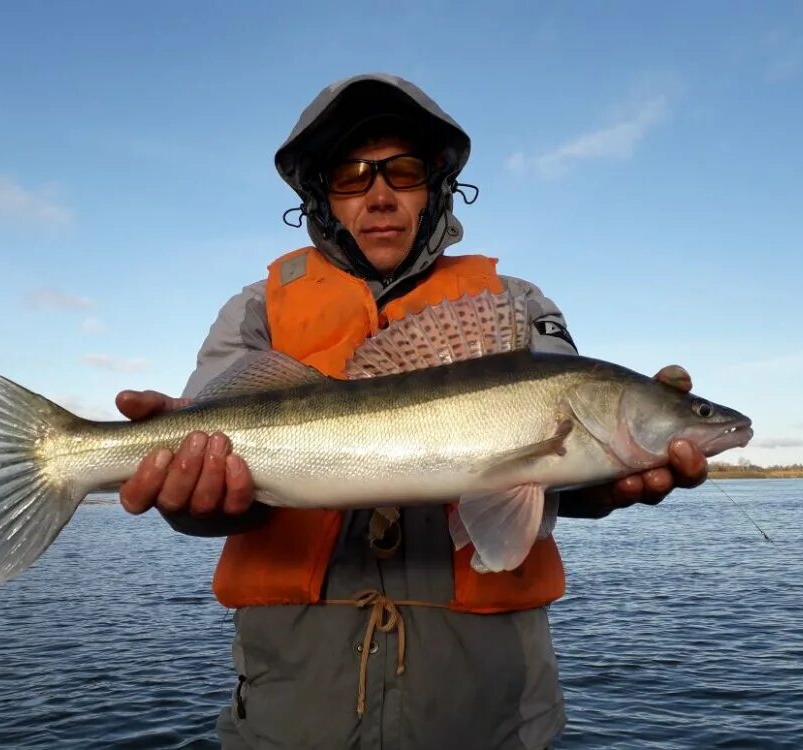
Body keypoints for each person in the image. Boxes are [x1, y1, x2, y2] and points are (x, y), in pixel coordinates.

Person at [115, 74, 707, 749]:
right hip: (295, 711)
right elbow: (199, 501)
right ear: (321, 195)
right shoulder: (257, 309)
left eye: (403, 170)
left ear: (437, 185)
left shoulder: (517, 305)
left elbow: (561, 477)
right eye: (349, 175)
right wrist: (190, 495)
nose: (379, 195)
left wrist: (599, 485)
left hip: (489, 713)